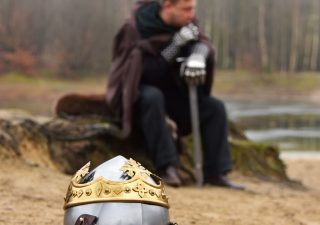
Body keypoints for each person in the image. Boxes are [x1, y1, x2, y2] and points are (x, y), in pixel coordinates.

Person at [106, 0, 244, 190]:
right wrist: (175, 45)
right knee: (153, 96)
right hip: (139, 96)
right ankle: (167, 167)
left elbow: (204, 43)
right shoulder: (136, 28)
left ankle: (216, 172)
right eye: (186, 9)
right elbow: (146, 72)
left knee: (214, 108)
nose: (191, 14)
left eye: (193, 9)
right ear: (168, 6)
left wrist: (198, 56)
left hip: (173, 95)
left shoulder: (188, 23)